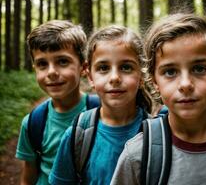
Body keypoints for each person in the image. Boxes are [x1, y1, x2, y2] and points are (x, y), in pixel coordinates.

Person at [111, 13, 206, 185]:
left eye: (199, 69)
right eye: (170, 72)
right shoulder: (138, 155)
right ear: (154, 80)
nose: (185, 84)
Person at [49, 25, 152, 184]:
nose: (115, 78)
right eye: (103, 68)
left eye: (126, 67)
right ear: (90, 77)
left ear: (141, 75)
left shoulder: (155, 134)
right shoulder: (78, 134)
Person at [16, 20, 89, 185]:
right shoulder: (33, 123)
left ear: (83, 68)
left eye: (63, 61)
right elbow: (28, 178)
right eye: (42, 64)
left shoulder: (101, 112)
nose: (52, 72)